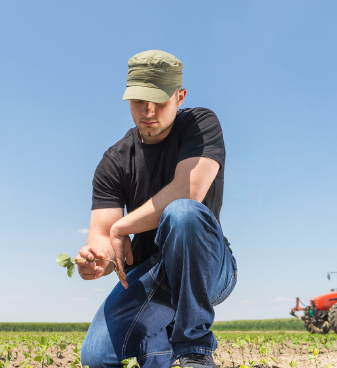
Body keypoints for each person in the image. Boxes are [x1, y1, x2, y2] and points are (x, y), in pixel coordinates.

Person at [77, 50, 237, 368]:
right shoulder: (114, 161)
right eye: (139, 101)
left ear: (180, 96)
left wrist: (122, 227)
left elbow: (189, 191)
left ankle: (195, 351)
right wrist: (97, 260)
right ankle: (158, 351)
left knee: (182, 213)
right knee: (96, 358)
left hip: (208, 267)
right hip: (152, 272)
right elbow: (104, 238)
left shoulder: (200, 124)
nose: (148, 112)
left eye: (159, 100)